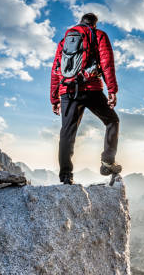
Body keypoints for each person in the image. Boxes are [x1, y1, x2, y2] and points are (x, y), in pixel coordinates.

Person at [50, 13, 121, 185]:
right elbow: (106, 63)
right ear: (94, 24)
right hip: (91, 88)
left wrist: (55, 98)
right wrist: (112, 89)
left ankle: (66, 176)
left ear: (81, 22)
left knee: (67, 132)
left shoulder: (64, 41)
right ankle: (107, 163)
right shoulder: (98, 35)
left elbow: (56, 69)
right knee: (112, 121)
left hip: (67, 90)